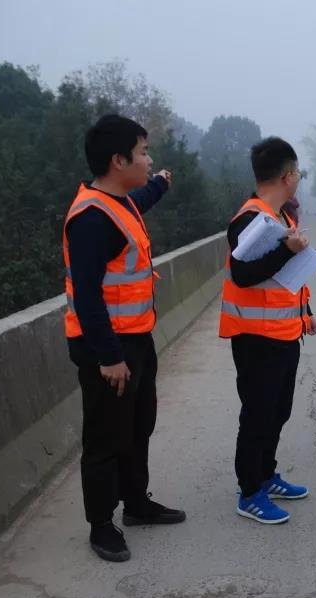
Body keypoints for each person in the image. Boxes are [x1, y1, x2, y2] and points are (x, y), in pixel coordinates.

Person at [63, 114, 186, 563]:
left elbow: (143, 198)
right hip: (108, 348)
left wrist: (162, 182)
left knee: (138, 426)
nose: (149, 161)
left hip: (136, 338)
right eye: (143, 153)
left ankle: (136, 503)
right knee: (105, 437)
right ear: (119, 161)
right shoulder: (91, 218)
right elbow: (88, 296)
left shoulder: (119, 203)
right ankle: (101, 525)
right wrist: (109, 356)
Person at [220, 137, 316, 524]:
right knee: (258, 415)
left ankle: (266, 474)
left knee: (278, 412)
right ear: (288, 175)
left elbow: (285, 277)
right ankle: (249, 492)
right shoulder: (250, 219)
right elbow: (243, 274)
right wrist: (286, 250)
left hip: (285, 332)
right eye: (298, 173)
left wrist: (306, 311)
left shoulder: (282, 218)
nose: (299, 179)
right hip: (256, 337)